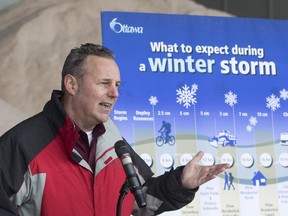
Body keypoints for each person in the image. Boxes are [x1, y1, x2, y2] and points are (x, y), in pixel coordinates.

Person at [0, 43, 230, 216]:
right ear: (71, 84)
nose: (115, 93)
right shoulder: (21, 144)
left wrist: (181, 183)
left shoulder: (112, 139)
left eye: (117, 85)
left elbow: (143, 199)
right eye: (104, 83)